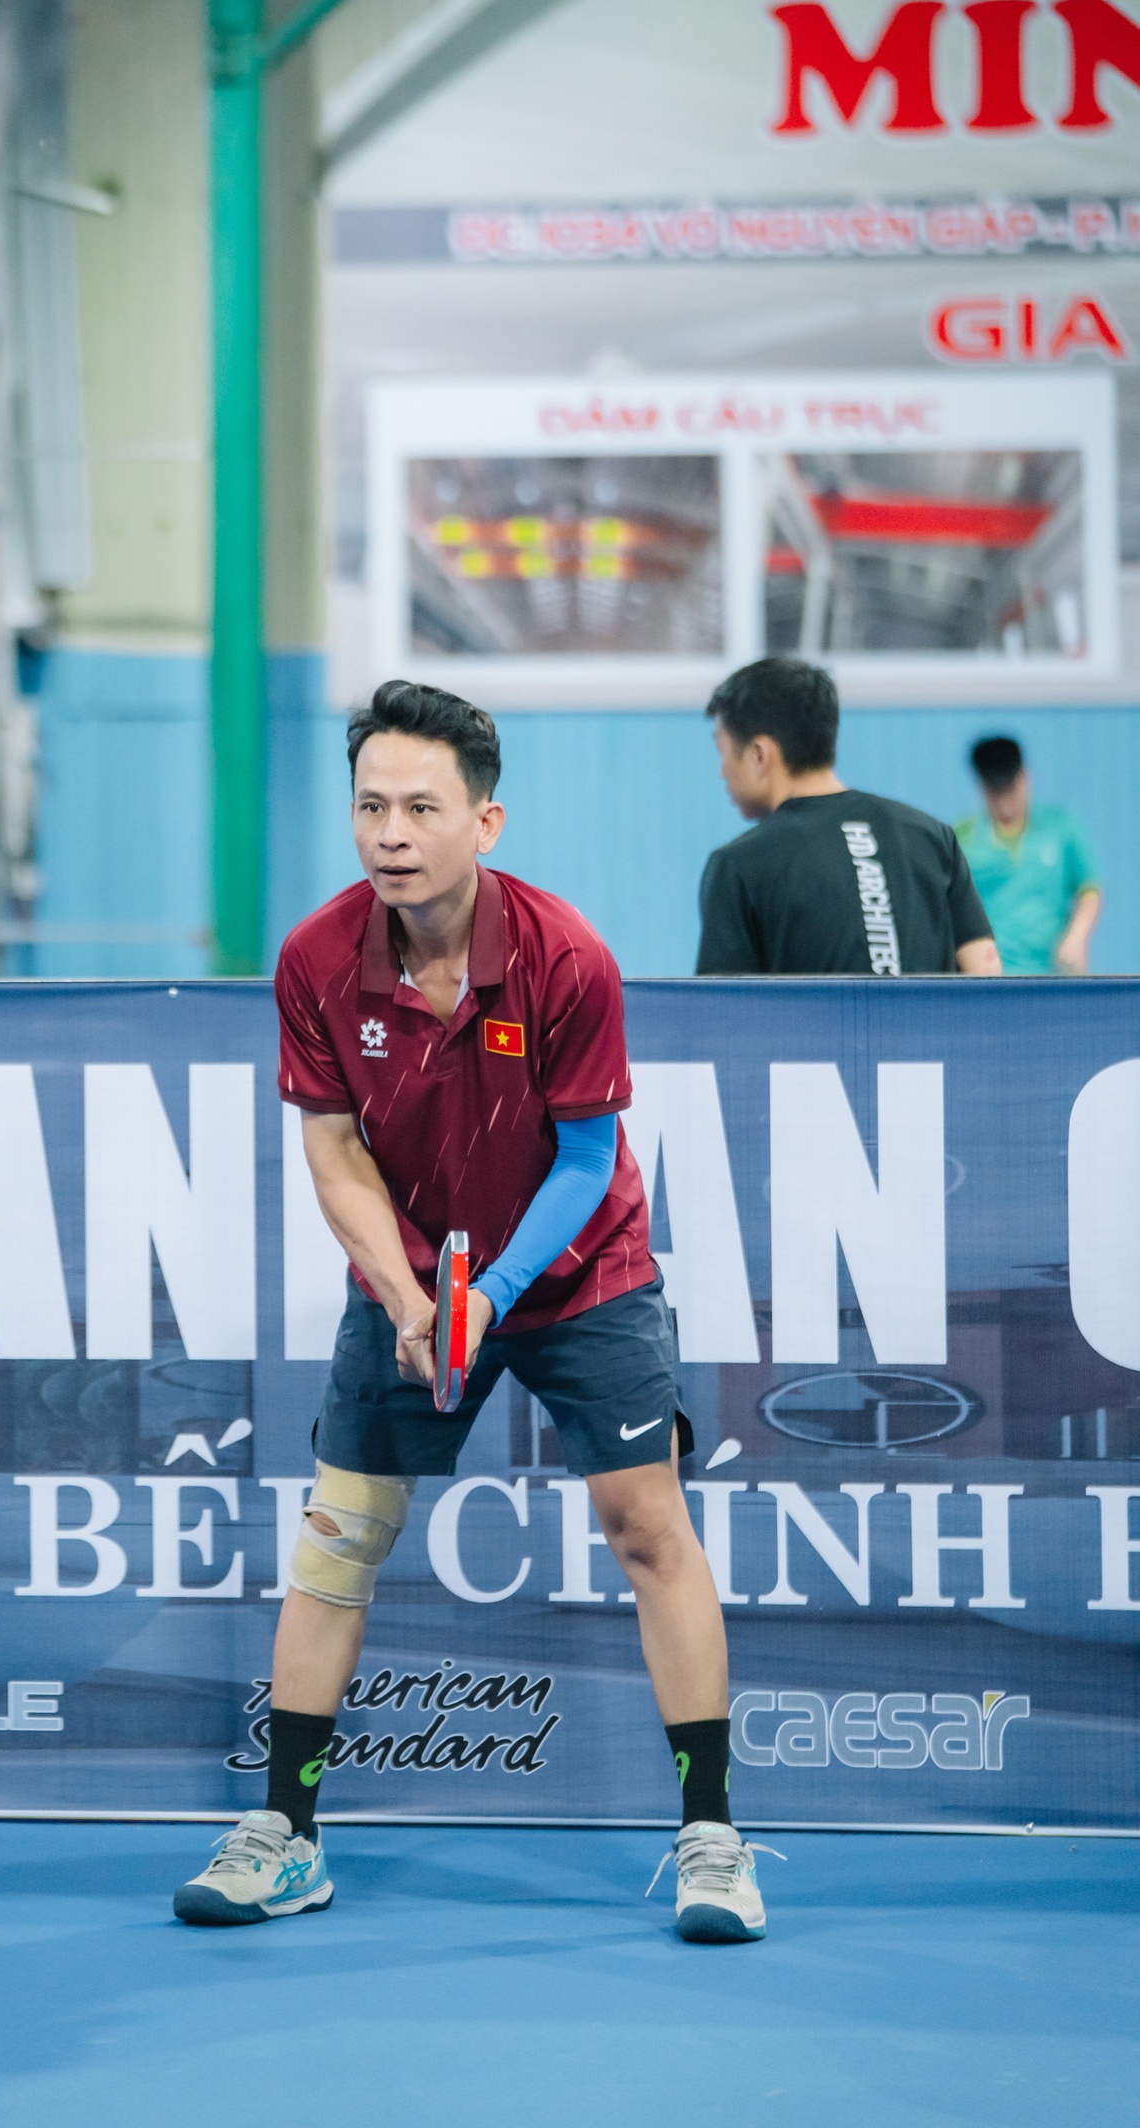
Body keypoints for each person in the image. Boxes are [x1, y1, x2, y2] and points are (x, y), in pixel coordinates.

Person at [174, 680, 771, 1944]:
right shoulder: (317, 960)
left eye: (420, 808)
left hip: (578, 1276)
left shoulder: (565, 956)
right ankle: (285, 1834)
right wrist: (409, 1296)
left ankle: (712, 1839)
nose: (390, 834)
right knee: (340, 1538)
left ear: (484, 822)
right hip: (410, 1278)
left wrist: (487, 1297)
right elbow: (334, 1153)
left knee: (648, 1527)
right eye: (369, 807)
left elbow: (587, 1159)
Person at [697, 658, 1001, 978]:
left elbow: (723, 1006)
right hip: (932, 1016)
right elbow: (986, 974)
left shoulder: (738, 865)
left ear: (759, 755)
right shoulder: (932, 837)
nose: (721, 771)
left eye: (722, 752)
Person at [956, 736, 1101, 976]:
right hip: (993, 978)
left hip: (1054, 974)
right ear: (982, 788)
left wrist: (1077, 936)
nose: (1004, 800)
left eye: (1010, 788)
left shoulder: (1060, 827)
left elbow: (1089, 890)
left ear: (1025, 779)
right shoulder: (963, 838)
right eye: (996, 791)